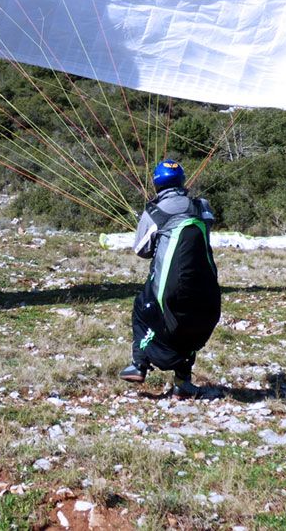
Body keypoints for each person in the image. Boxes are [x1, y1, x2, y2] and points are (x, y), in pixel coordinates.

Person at [119, 160, 221, 397]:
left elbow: (141, 250)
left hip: (169, 285)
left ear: (156, 183)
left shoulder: (154, 212)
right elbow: (208, 223)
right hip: (205, 284)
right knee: (191, 320)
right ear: (182, 180)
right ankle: (183, 382)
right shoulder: (201, 206)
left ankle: (139, 364)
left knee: (143, 309)